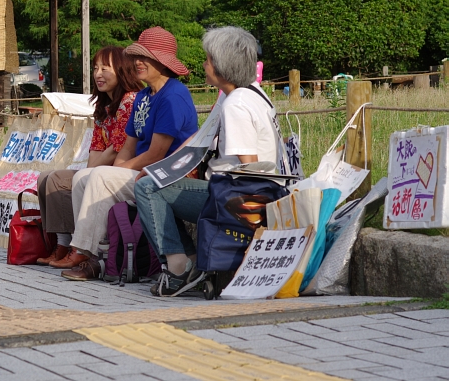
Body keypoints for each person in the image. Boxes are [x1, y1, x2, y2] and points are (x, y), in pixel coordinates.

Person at [135, 26, 285, 297]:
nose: (204, 65)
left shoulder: (236, 106)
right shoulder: (251, 93)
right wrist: (160, 170)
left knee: (147, 189)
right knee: (154, 182)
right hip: (256, 193)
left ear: (221, 65)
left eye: (207, 59)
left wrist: (253, 219)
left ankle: (178, 267)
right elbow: (199, 138)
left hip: (237, 199)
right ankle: (188, 260)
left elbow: (250, 166)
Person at [57, 26, 199, 280]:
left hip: (166, 176)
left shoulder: (174, 95)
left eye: (145, 57)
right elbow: (128, 147)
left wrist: (114, 171)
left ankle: (92, 256)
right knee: (83, 178)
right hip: (140, 172)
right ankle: (90, 254)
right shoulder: (144, 97)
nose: (137, 62)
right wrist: (116, 167)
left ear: (162, 62)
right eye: (136, 56)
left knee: (99, 176)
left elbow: (156, 154)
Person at [36, 46, 143, 266]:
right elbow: (96, 153)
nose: (98, 74)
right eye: (95, 68)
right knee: (46, 177)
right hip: (103, 167)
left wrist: (94, 164)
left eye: (105, 68)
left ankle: (74, 248)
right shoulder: (103, 107)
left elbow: (117, 150)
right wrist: (94, 164)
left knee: (61, 179)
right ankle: (60, 244)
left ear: (122, 70)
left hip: (122, 170)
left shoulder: (130, 102)